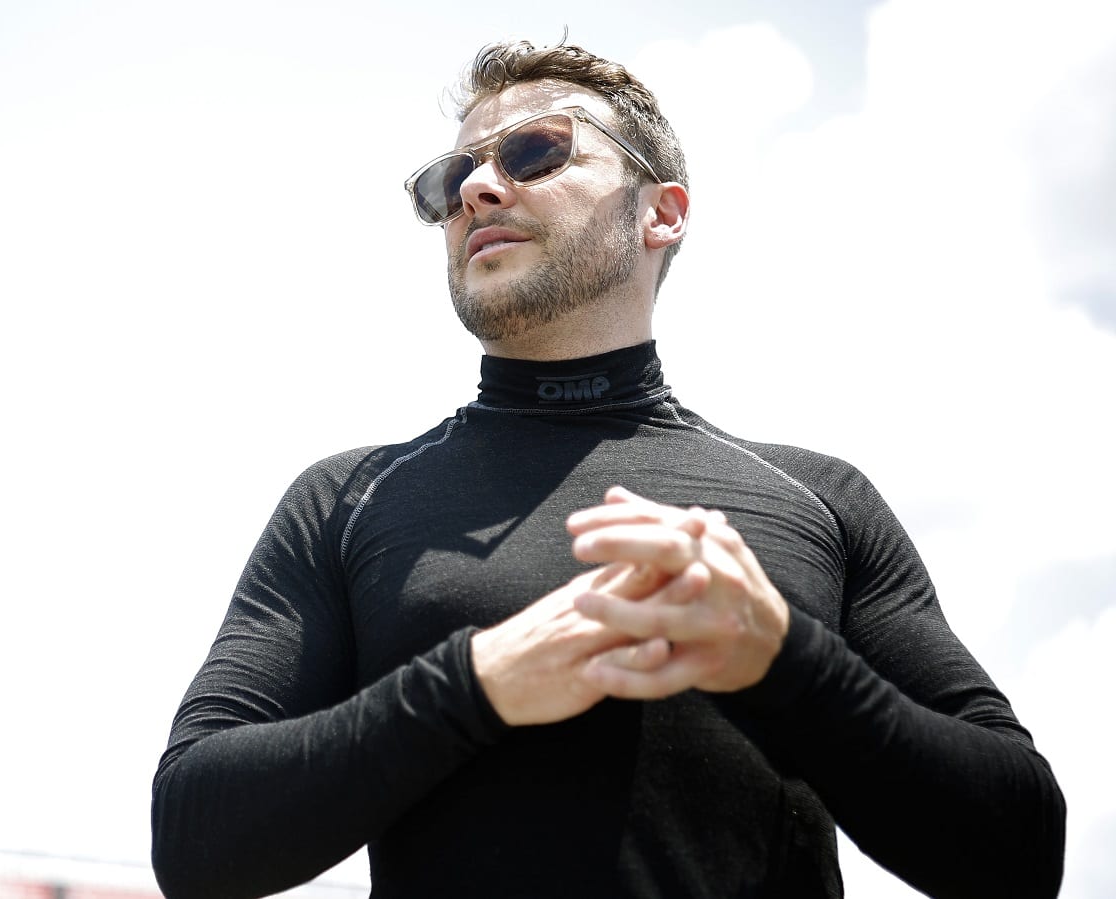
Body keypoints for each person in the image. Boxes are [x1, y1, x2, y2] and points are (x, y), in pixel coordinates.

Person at [150, 39, 1066, 898]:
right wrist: (479, 682)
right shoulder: (345, 501)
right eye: (451, 175)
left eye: (535, 152)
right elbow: (194, 837)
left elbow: (1021, 851)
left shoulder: (819, 499)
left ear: (660, 213)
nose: (476, 187)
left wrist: (783, 659)